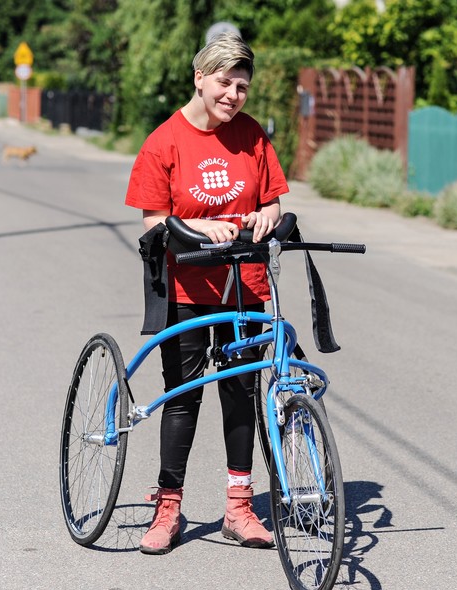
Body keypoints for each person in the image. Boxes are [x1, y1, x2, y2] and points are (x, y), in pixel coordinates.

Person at [125, 32, 289, 555]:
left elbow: (274, 202)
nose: (233, 95)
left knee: (241, 392)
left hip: (244, 284)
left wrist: (266, 216)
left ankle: (239, 508)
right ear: (200, 77)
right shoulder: (164, 142)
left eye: (242, 87)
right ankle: (168, 508)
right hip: (186, 287)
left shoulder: (252, 134)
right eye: (224, 82)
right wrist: (198, 226)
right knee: (183, 395)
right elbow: (153, 222)